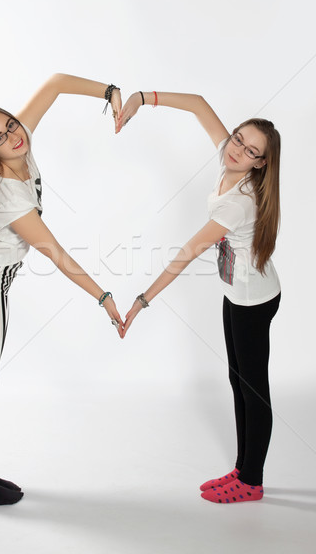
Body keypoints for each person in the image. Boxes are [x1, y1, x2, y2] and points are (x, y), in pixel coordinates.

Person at [0, 74, 124, 505]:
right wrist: (103, 297)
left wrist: (109, 92)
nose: (12, 135)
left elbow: (57, 83)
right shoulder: (7, 192)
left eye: (10, 124)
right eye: (0, 137)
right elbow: (56, 254)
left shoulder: (18, 141)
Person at [117, 90, 281, 504]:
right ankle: (244, 469)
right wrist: (141, 98)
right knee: (236, 379)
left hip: (252, 299)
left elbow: (185, 254)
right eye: (238, 138)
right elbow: (198, 104)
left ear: (260, 163)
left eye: (250, 150)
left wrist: (141, 300)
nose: (237, 149)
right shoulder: (230, 157)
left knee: (252, 389)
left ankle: (251, 481)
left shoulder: (239, 203)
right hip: (238, 291)